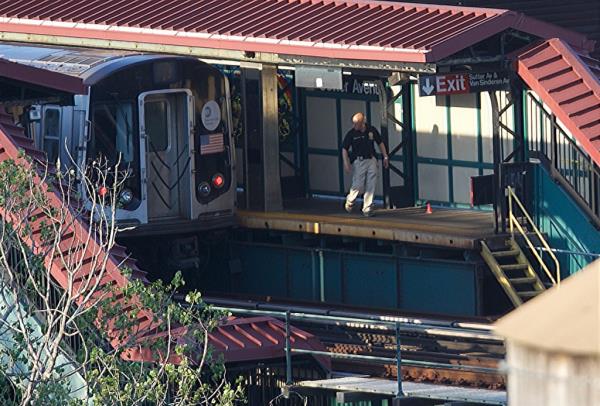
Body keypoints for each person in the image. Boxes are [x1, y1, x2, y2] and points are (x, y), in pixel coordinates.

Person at [342, 112, 389, 217]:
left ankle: (367, 207)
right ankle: (350, 200)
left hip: (371, 159)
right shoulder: (351, 134)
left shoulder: (371, 130)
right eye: (353, 123)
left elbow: (380, 142)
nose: (354, 126)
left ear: (362, 122)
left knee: (371, 184)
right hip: (359, 161)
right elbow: (344, 148)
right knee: (358, 185)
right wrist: (346, 162)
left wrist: (385, 156)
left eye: (356, 124)